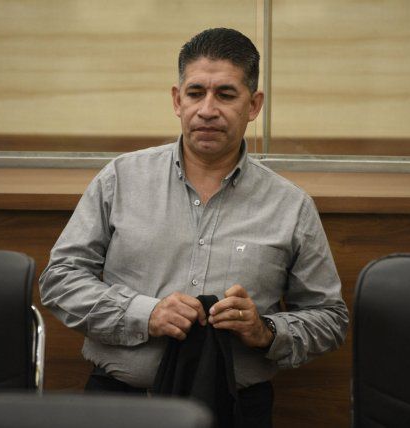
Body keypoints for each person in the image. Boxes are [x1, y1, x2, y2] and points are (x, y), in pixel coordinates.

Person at [39, 27, 348, 427]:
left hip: (237, 410)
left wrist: (266, 331)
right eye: (196, 92)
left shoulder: (290, 206)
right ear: (177, 100)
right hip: (122, 406)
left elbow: (329, 317)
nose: (207, 109)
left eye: (226, 94)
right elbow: (59, 279)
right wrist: (145, 313)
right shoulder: (121, 178)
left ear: (253, 105)